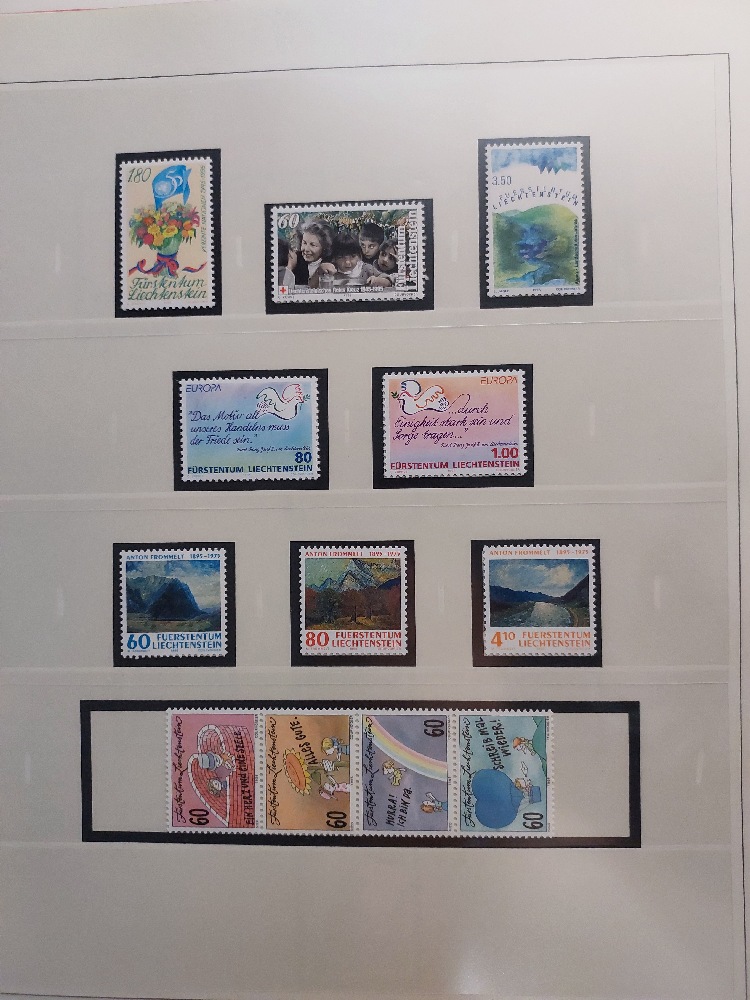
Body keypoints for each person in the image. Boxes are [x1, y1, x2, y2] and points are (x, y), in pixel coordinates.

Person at [310, 234, 376, 288]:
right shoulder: (329, 270)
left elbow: (382, 279)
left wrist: (377, 280)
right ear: (334, 258)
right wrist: (319, 271)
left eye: (352, 256)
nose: (347, 262)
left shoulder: (366, 269)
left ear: (359, 256)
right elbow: (311, 286)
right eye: (341, 257)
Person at [292, 218, 335, 286]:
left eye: (313, 245)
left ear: (324, 246)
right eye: (304, 243)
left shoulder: (331, 261)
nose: (306, 249)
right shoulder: (296, 260)